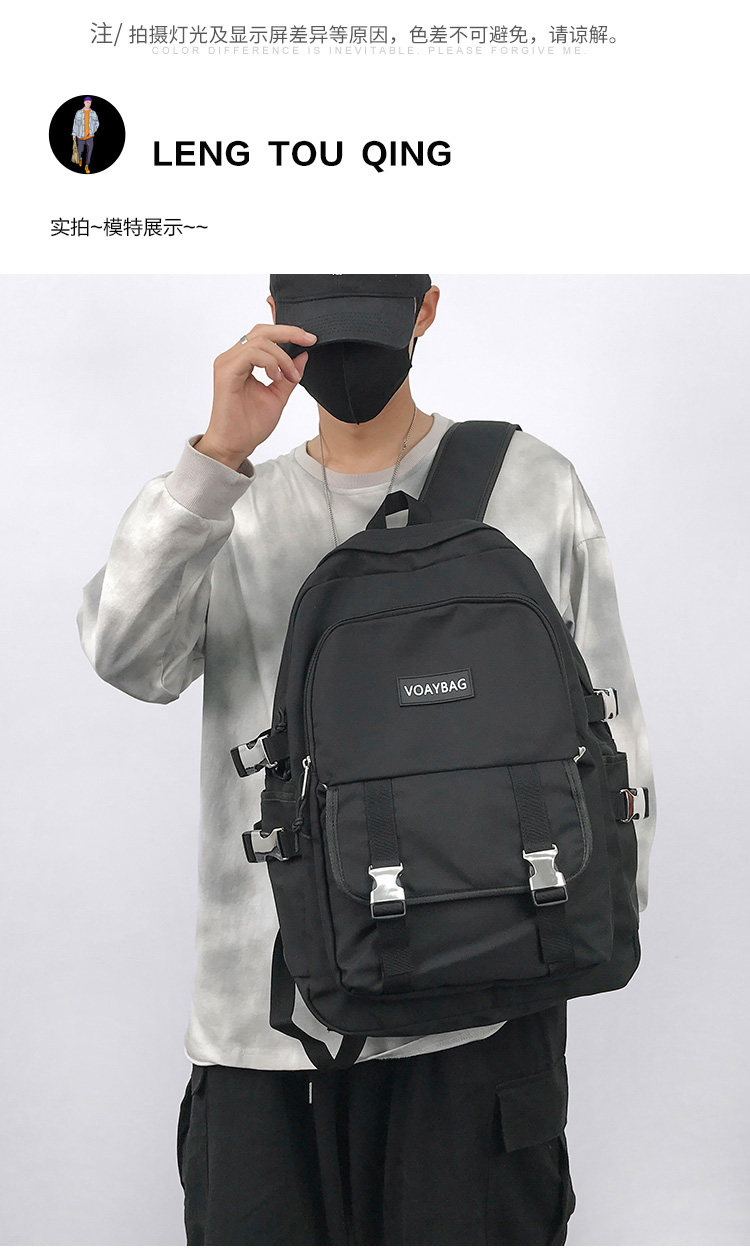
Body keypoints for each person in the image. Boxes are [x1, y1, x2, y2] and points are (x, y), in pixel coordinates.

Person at [77, 274, 656, 1245]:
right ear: (275, 313)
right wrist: (216, 457)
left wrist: (572, 938)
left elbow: (611, 741)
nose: (348, 361)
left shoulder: (530, 485)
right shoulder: (229, 502)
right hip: (263, 1038)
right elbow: (127, 657)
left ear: (426, 308)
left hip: (477, 1022)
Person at [72, 96, 98, 173]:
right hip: (80, 137)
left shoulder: (93, 113)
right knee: (80, 151)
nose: (88, 104)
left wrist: (93, 130)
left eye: (89, 103)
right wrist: (74, 134)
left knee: (89, 152)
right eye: (87, 102)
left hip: (90, 137)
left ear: (91, 103)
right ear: (84, 102)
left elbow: (97, 123)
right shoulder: (78, 112)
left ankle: (87, 166)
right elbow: (75, 124)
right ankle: (80, 159)